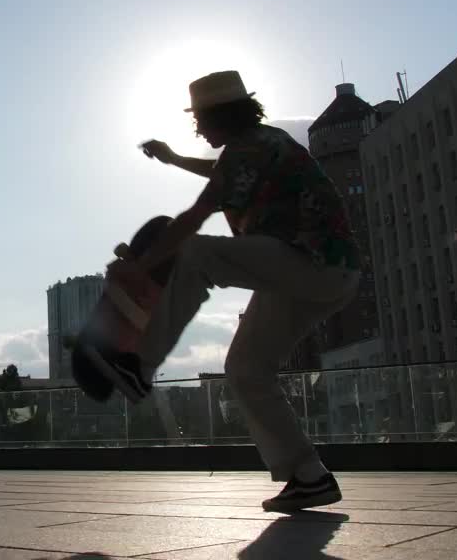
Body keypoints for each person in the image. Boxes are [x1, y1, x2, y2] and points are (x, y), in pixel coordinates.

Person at [96, 69, 361, 513]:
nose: (196, 127)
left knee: (195, 253)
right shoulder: (257, 147)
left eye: (199, 119)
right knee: (245, 369)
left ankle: (138, 364)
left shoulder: (252, 148)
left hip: (315, 265)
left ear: (220, 115)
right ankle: (309, 475)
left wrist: (141, 267)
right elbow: (220, 173)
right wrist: (176, 159)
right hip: (309, 275)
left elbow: (194, 217)